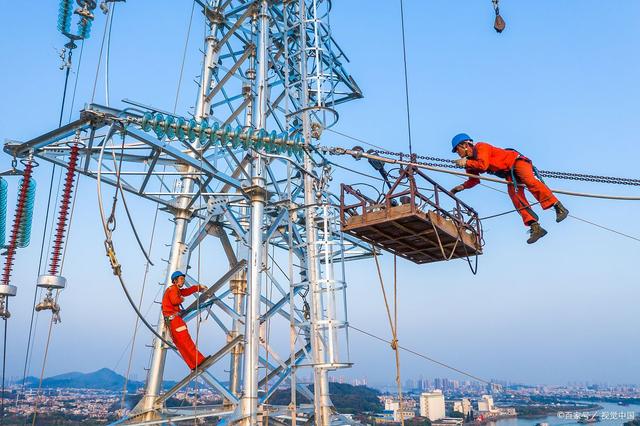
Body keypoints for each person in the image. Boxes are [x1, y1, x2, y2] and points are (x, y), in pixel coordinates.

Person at [449, 133, 568, 244]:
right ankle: (535, 227)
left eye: (457, 150)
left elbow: (483, 165)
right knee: (515, 196)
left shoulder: (481, 147)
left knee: (530, 181)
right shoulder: (470, 162)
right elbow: (474, 180)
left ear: (464, 145)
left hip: (517, 162)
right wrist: (460, 187)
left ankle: (558, 207)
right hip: (509, 173)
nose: (457, 153)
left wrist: (466, 163)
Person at [162, 271, 208, 370]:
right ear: (175, 280)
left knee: (181, 345)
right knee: (186, 340)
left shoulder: (174, 290)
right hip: (175, 321)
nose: (183, 281)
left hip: (170, 322)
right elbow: (175, 301)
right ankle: (199, 360)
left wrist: (198, 287)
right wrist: (181, 300)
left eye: (183, 279)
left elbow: (186, 291)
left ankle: (192, 364)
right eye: (181, 279)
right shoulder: (173, 289)